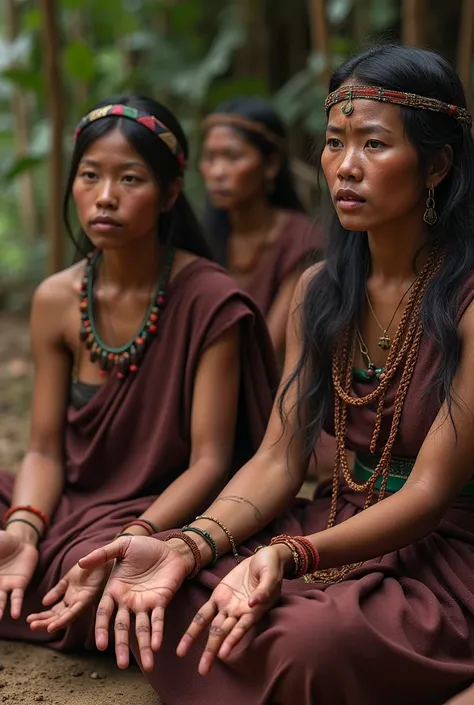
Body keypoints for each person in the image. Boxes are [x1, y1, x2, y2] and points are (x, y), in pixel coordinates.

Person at [75, 44, 474, 704]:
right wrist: (190, 546)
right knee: (168, 595)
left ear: (435, 164)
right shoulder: (320, 288)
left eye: (374, 144)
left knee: (307, 647)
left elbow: (429, 492)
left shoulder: (464, 304)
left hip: (441, 548)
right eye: (334, 142)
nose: (345, 167)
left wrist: (292, 553)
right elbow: (279, 456)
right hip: (331, 517)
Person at [0, 95, 278, 650]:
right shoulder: (56, 298)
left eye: (129, 179)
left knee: (120, 580)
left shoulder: (211, 301)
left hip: (158, 509)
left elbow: (210, 461)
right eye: (89, 176)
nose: (105, 197)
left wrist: (132, 538)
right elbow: (44, 451)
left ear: (170, 192)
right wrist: (23, 529)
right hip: (68, 500)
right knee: (29, 551)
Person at [201, 96, 323, 365]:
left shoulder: (301, 239)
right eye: (210, 157)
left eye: (232, 156)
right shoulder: (206, 239)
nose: (218, 172)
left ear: (271, 165)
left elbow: (270, 346)